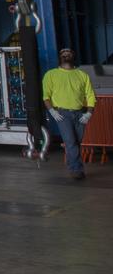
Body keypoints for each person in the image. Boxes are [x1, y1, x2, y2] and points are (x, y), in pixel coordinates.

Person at [43, 48, 97, 180]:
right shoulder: (51, 74)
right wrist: (52, 111)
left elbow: (90, 95)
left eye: (69, 53)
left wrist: (89, 113)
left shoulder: (82, 75)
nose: (66, 55)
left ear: (73, 56)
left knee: (76, 142)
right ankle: (76, 170)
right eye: (63, 53)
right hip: (62, 114)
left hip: (80, 113)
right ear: (60, 57)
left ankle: (72, 163)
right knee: (71, 142)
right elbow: (46, 96)